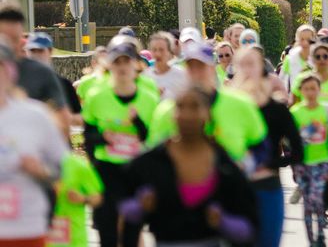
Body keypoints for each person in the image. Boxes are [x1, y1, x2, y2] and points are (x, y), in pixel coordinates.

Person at [120, 88, 259, 246]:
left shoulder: (223, 165)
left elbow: (248, 227)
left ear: (207, 114)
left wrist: (223, 222)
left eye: (194, 107)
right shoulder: (152, 161)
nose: (186, 114)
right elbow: (124, 209)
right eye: (180, 107)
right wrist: (140, 206)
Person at [80, 42, 159, 247]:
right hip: (107, 169)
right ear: (110, 67)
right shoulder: (97, 97)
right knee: (107, 232)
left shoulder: (149, 99)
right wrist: (101, 139)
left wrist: (138, 124)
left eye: (126, 61)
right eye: (117, 62)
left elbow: (154, 140)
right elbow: (87, 136)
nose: (122, 67)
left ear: (136, 65)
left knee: (132, 234)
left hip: (135, 171)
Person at [147, 44, 268, 162]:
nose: (196, 73)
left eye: (201, 67)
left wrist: (246, 166)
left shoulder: (240, 103)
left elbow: (261, 146)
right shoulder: (167, 110)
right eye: (190, 67)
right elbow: (153, 155)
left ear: (212, 68)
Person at [233, 46, 303, 247]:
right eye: (241, 65)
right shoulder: (226, 107)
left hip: (267, 187)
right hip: (234, 188)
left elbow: (298, 149)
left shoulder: (277, 110)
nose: (246, 70)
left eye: (251, 64)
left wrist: (273, 163)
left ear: (261, 68)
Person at [0, 42, 68, 247]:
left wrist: (41, 171)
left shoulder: (35, 115)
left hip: (26, 229)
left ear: (10, 72)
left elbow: (63, 167)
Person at [291, 74, 328, 246]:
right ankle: (311, 239)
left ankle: (321, 232)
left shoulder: (327, 111)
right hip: (302, 163)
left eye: (313, 88)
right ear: (300, 91)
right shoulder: (295, 113)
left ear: (319, 90)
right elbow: (289, 141)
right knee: (308, 203)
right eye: (306, 89)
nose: (310, 92)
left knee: (316, 197)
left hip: (322, 161)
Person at [0, 2, 70, 127]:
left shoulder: (41, 73)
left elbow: (63, 119)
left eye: (15, 39)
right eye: (5, 39)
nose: (10, 46)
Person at [24, 32, 82, 125]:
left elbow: (79, 118)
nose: (36, 55)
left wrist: (57, 115)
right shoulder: (17, 82)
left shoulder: (63, 84)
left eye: (40, 51)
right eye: (32, 51)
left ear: (50, 51)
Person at [145, 32, 188, 100]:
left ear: (169, 51)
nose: (158, 54)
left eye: (161, 50)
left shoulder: (182, 74)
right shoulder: (145, 76)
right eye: (154, 50)